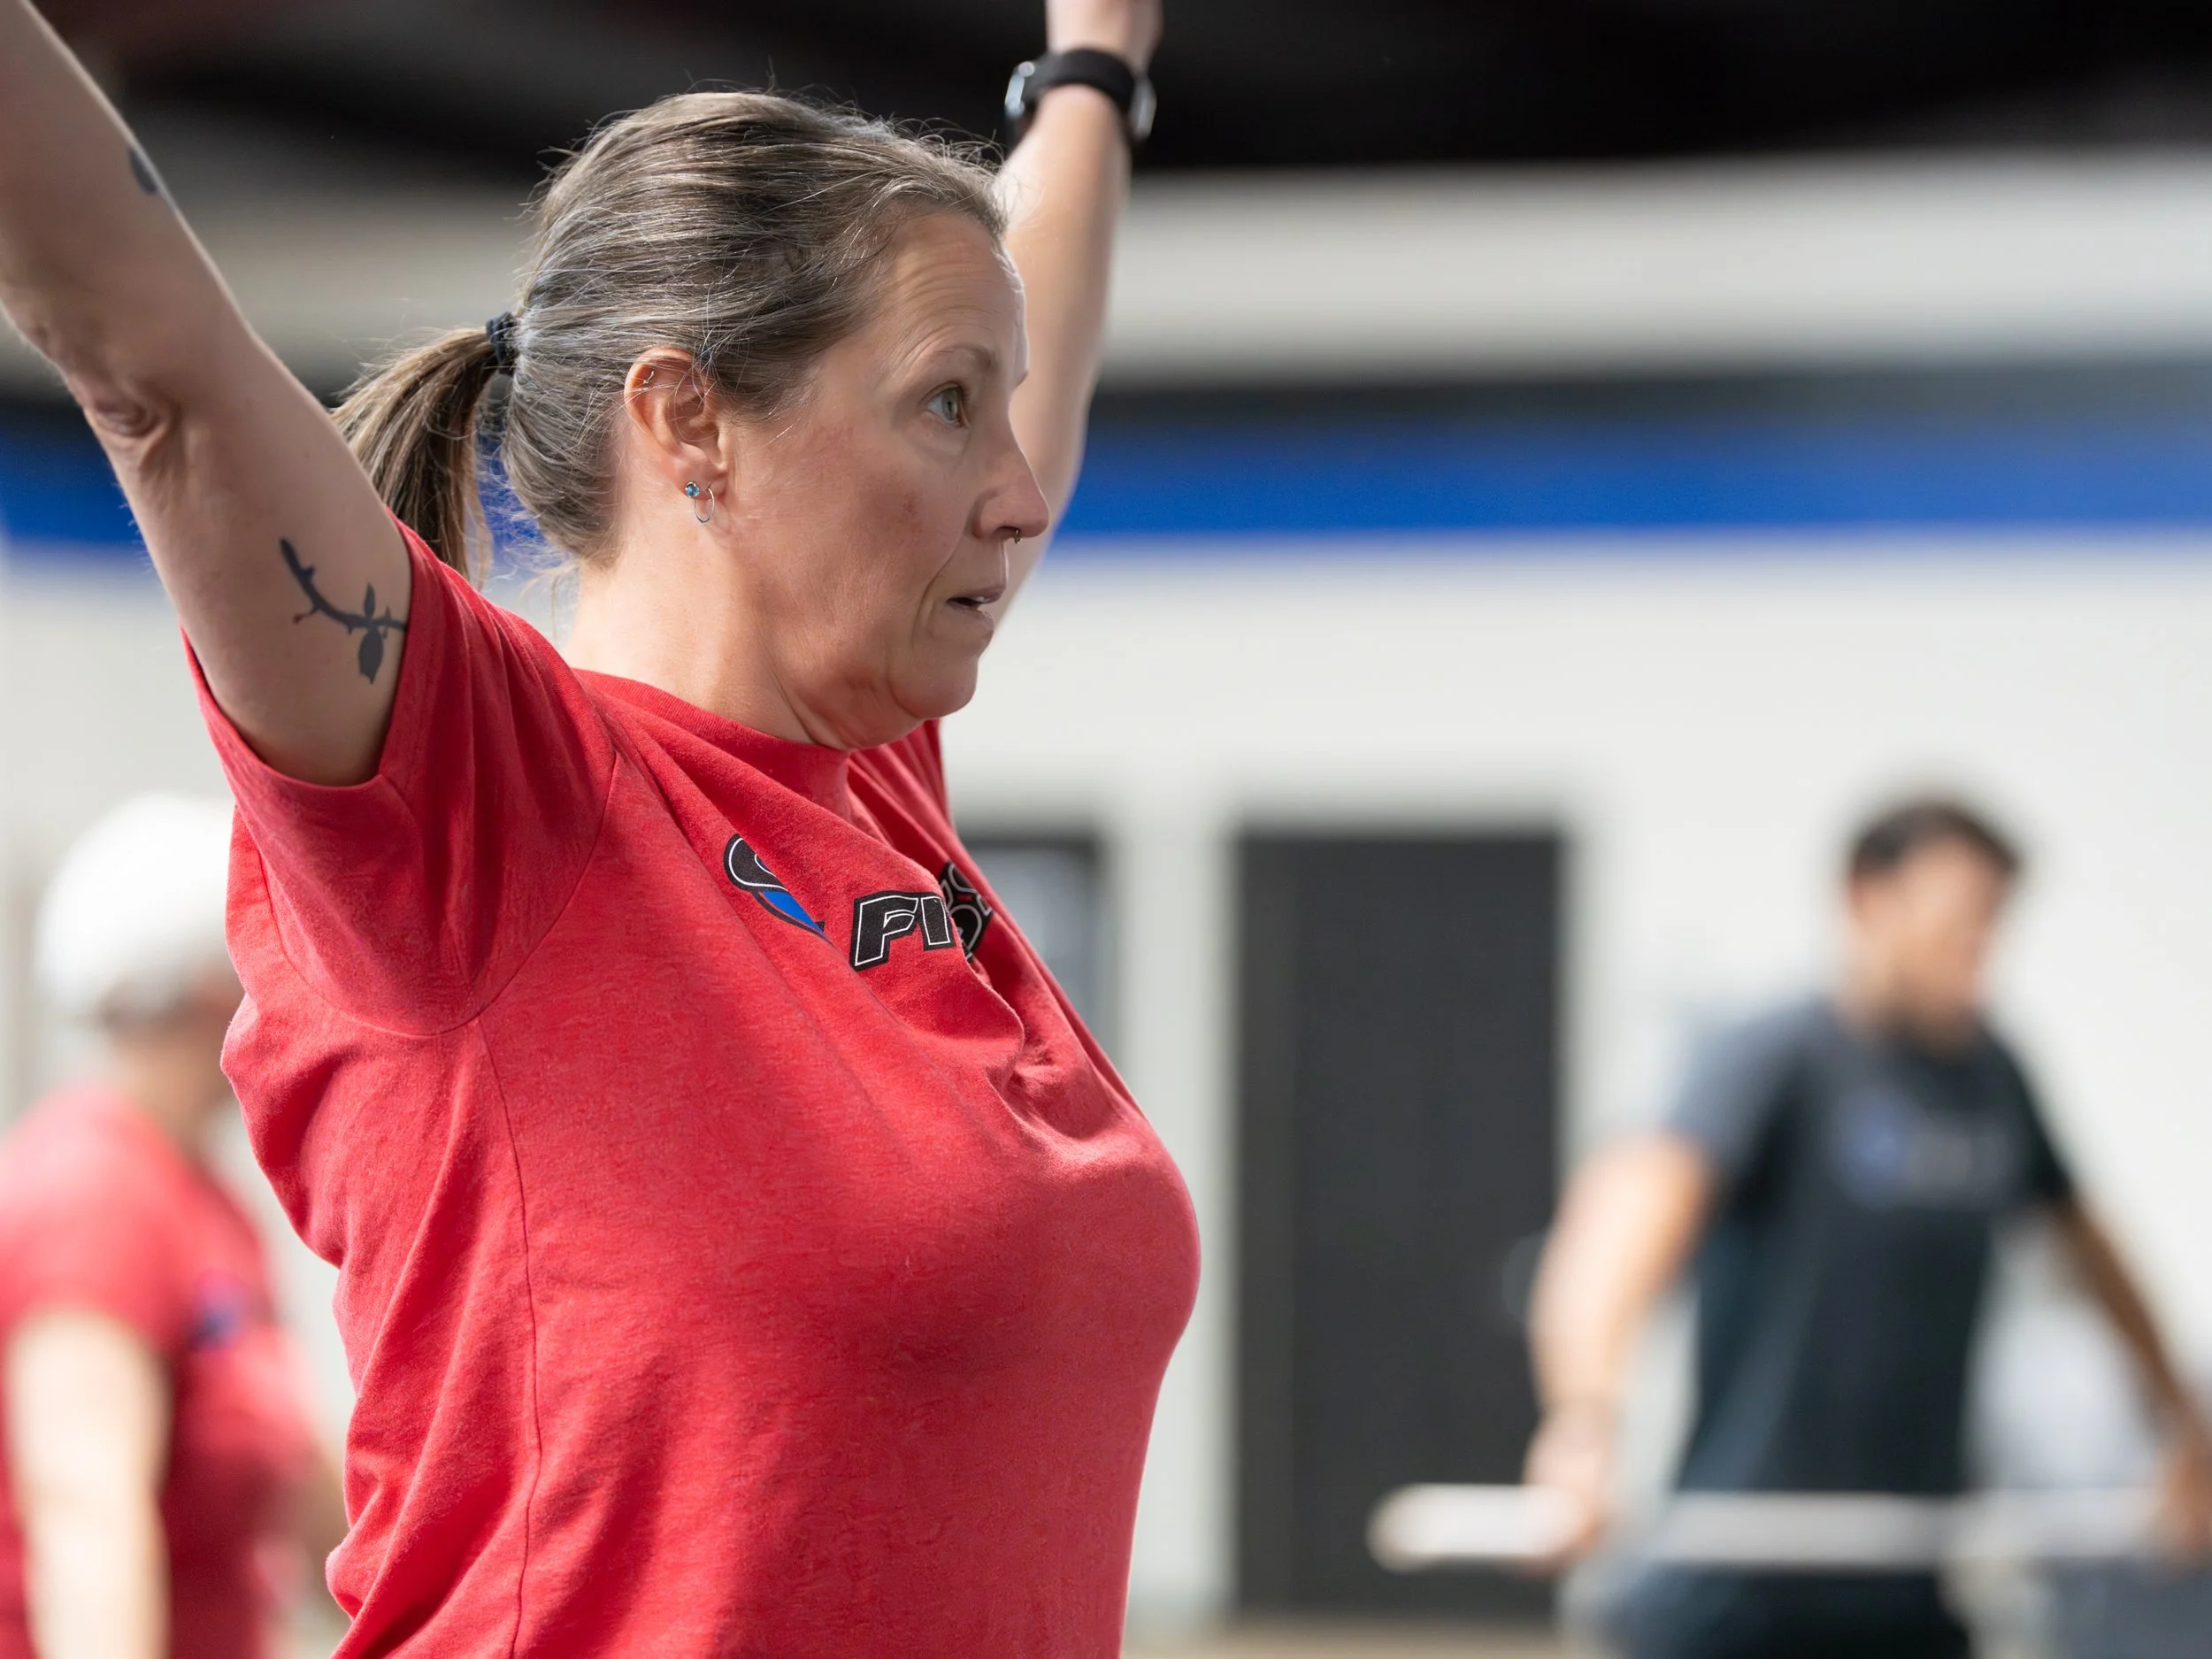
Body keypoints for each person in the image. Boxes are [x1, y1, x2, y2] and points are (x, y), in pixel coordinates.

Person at [0, 1, 1197, 1653]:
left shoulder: (874, 797)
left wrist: (1093, 68)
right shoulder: (483, 799)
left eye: (1003, 409)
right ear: (692, 422)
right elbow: (158, 372)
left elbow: (1026, 358)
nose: (1020, 485)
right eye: (943, 407)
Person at [1523, 797, 2212, 1659]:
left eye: (1992, 923)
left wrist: (2184, 1429)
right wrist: (1582, 1427)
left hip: (1903, 1580)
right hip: (1736, 1590)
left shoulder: (1992, 1076)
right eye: (1955, 920)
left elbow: (2095, 1259)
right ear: (1865, 898)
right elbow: (1611, 1243)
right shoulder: (1776, 1059)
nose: (1977, 949)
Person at [3, 795, 343, 1658]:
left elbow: (305, 1492)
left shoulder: (204, 1199)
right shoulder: (94, 1194)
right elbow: (86, 1520)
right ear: (215, 992)